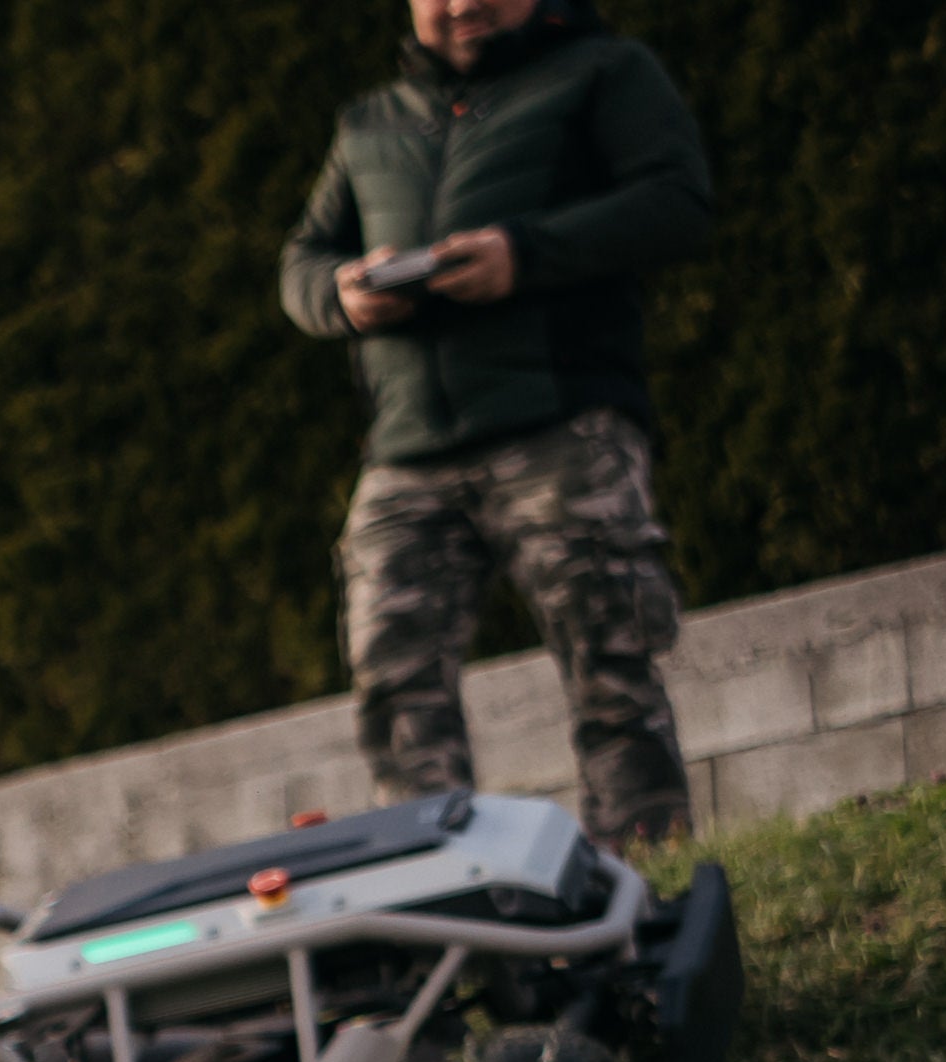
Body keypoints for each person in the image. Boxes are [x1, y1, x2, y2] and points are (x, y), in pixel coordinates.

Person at [282, 0, 712, 845]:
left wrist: (527, 255)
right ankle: (436, 885)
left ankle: (647, 881)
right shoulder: (370, 122)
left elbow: (677, 201)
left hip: (562, 430)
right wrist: (341, 291)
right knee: (395, 685)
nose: (462, 4)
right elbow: (301, 260)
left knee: (611, 665)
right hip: (407, 455)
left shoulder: (603, 73)